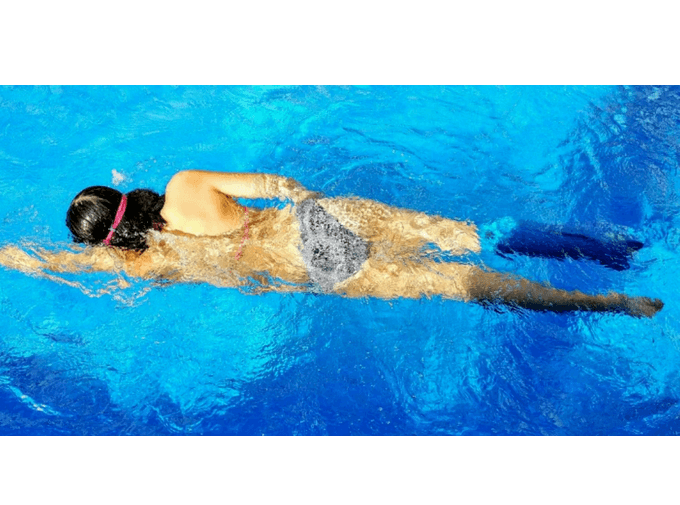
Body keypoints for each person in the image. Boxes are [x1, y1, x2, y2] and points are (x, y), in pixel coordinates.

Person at [0, 170, 664, 317]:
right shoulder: (184, 185)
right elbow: (277, 185)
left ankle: (610, 305)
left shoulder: (145, 266)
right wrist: (311, 203)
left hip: (309, 265)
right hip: (315, 220)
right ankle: (609, 250)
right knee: (465, 236)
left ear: (110, 239)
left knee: (466, 286)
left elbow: (44, 262)